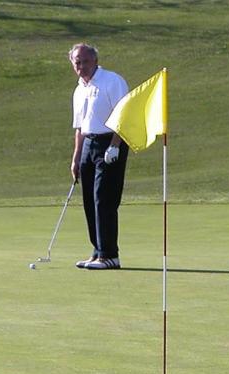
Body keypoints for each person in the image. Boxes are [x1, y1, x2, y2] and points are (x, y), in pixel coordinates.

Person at [69, 42, 130, 270]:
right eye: (77, 62)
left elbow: (123, 116)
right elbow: (79, 127)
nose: (81, 66)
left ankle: (109, 255)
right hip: (88, 144)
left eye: (85, 61)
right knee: (89, 200)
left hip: (111, 141)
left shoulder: (112, 81)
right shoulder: (79, 90)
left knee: (103, 198)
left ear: (95, 60)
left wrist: (115, 146)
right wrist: (76, 158)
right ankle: (97, 251)